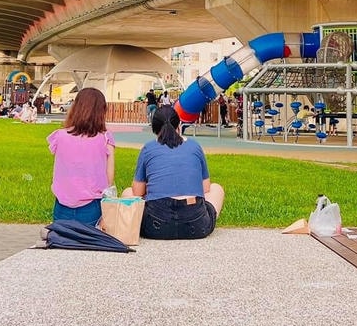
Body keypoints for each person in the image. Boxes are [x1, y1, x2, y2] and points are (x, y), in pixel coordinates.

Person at [131, 105, 224, 239]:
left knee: (128, 192)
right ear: (179, 124)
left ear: (154, 128)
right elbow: (206, 187)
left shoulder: (148, 148)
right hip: (197, 225)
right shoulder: (194, 146)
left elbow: (137, 192)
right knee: (217, 189)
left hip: (155, 226)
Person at [46, 87, 115, 226]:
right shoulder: (105, 138)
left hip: (61, 207)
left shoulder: (58, 136)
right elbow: (109, 177)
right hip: (92, 208)